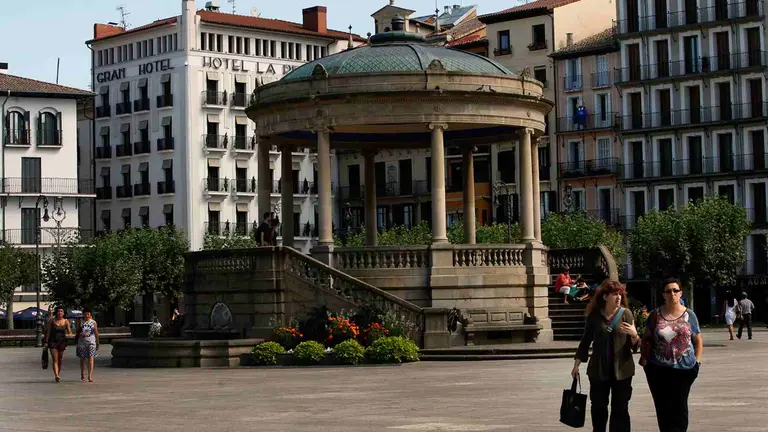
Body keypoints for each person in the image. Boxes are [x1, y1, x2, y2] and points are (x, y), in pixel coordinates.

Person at [572, 280, 639, 432]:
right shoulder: (594, 316)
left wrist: (634, 335)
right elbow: (585, 341)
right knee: (598, 408)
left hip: (622, 370)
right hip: (598, 370)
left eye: (620, 294)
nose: (618, 297)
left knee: (620, 409)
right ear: (604, 297)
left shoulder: (626, 314)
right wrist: (576, 364)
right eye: (614, 294)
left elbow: (635, 345)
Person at [640, 278, 703, 432]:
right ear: (663, 294)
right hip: (658, 369)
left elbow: (698, 340)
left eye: (675, 290)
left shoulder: (689, 315)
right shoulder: (655, 315)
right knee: (663, 409)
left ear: (680, 293)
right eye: (668, 291)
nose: (672, 294)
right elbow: (647, 338)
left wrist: (697, 362)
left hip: (684, 369)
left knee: (680, 408)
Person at [43, 306, 73, 383]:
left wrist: (69, 335)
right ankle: (56, 375)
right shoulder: (52, 321)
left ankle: (57, 373)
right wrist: (46, 342)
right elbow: (48, 332)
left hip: (62, 342)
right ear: (56, 312)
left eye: (61, 311)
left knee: (60, 359)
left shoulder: (66, 321)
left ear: (63, 313)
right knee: (55, 360)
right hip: (53, 342)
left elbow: (70, 332)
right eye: (58, 311)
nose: (60, 313)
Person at [76, 307, 99, 383]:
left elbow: (96, 333)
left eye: (88, 314)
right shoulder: (80, 321)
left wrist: (97, 342)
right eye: (85, 314)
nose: (87, 315)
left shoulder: (93, 322)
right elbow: (77, 331)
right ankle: (82, 374)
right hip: (82, 342)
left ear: (90, 314)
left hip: (91, 342)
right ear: (83, 314)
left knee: (91, 358)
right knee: (82, 359)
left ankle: (90, 376)